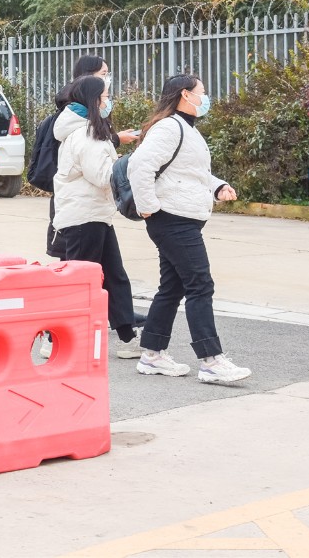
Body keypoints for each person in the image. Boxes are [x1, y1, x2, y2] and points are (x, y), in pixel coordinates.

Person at [129, 74, 250, 384]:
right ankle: (211, 361)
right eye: (202, 92)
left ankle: (152, 354)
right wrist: (147, 206)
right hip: (172, 219)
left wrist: (218, 186)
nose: (205, 98)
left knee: (173, 287)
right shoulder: (170, 127)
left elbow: (191, 173)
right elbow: (140, 165)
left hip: (180, 217)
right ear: (185, 94)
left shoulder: (185, 128)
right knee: (200, 284)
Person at [52, 75, 141, 358]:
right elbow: (102, 176)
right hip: (83, 218)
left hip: (94, 215)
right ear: (93, 100)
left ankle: (127, 337)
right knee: (81, 282)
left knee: (114, 277)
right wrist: (131, 164)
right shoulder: (86, 134)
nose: (108, 102)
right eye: (105, 97)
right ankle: (54, 338)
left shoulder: (87, 130)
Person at [29, 55, 141, 260]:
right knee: (81, 269)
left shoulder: (78, 117)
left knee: (108, 274)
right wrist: (126, 162)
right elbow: (98, 169)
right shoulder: (83, 127)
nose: (107, 80)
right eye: (103, 74)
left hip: (89, 209)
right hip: (83, 209)